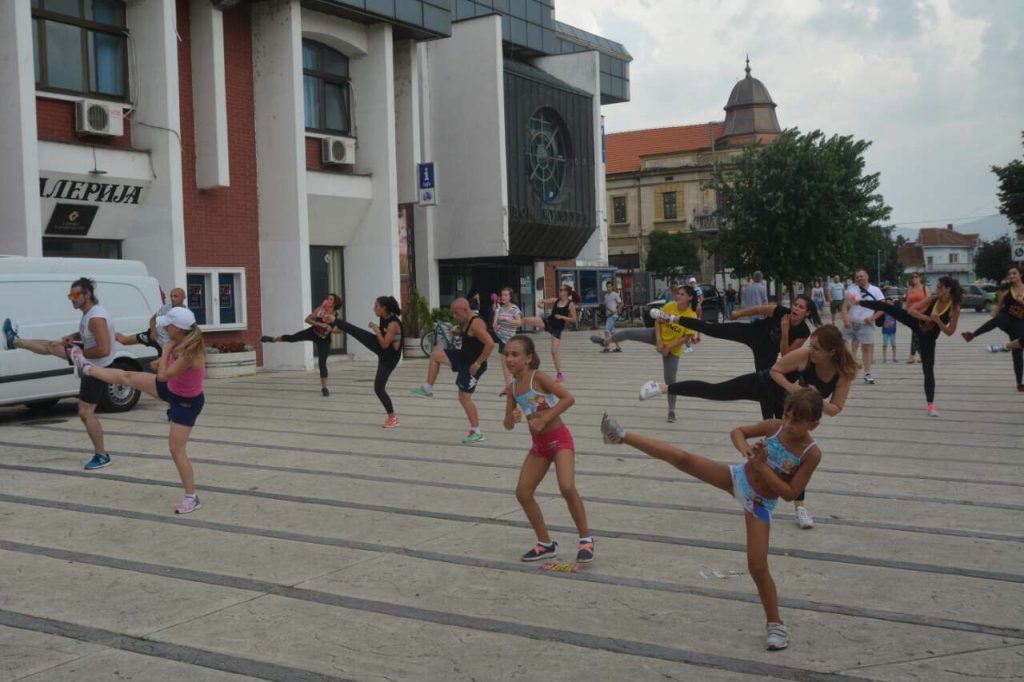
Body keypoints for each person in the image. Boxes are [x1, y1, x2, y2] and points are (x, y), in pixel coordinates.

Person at [601, 388, 825, 651]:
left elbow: (789, 493)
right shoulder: (774, 427)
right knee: (683, 459)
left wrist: (763, 466)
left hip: (760, 503)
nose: (788, 424)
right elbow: (737, 432)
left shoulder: (811, 453)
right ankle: (621, 436)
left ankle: (776, 624)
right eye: (787, 416)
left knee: (757, 566)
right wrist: (747, 451)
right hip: (737, 477)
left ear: (813, 424)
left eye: (796, 421)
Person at [69, 307, 205, 513]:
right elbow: (165, 368)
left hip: (185, 402)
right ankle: (86, 367)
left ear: (177, 328)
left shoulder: (189, 352)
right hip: (172, 389)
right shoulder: (179, 340)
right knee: (128, 377)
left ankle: (191, 497)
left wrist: (166, 352)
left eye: (168, 325)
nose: (165, 328)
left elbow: (163, 376)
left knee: (176, 450)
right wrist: (162, 358)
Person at [4, 277, 116, 470]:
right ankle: (14, 341)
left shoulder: (96, 317)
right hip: (91, 365)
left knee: (85, 412)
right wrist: (73, 337)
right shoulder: (90, 314)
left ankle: (102, 455)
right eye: (69, 295)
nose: (71, 299)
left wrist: (79, 353)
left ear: (87, 294)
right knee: (52, 346)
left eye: (75, 295)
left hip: (96, 368)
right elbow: (89, 333)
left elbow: (104, 349)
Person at [651, 296, 820, 417]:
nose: (795, 309)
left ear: (807, 313)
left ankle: (771, 426)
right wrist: (739, 314)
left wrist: (785, 331)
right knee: (712, 329)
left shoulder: (803, 331)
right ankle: (672, 318)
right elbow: (758, 309)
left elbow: (786, 355)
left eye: (801, 307)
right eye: (795, 305)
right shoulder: (781, 312)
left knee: (765, 386)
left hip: (766, 353)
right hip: (750, 332)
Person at [503, 335, 593, 564]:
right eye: (507, 354)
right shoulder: (512, 388)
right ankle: (545, 544)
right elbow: (508, 425)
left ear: (528, 358)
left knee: (567, 486)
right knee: (523, 493)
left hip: (559, 440)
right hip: (539, 447)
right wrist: (512, 417)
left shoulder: (539, 377)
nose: (509, 359)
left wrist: (545, 418)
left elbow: (568, 398)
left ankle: (586, 540)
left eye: (515, 354)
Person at [767, 325, 857, 528]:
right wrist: (794, 389)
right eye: (811, 345)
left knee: (795, 459)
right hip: (776, 397)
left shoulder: (842, 373)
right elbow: (775, 370)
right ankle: (755, 492)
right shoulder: (805, 355)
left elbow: (835, 408)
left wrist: (815, 399)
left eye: (816, 348)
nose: (811, 350)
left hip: (799, 416)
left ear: (831, 352)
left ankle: (799, 508)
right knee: (771, 450)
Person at [591, 285, 698, 423]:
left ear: (690, 297)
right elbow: (658, 321)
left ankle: (671, 411)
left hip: (673, 349)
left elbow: (686, 337)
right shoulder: (670, 305)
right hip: (656, 335)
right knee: (628, 333)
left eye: (682, 294)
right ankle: (606, 341)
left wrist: (668, 347)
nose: (678, 296)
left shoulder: (691, 315)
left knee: (670, 381)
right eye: (678, 293)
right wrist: (659, 341)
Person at [860, 276, 961, 417]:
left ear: (948, 289)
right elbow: (911, 310)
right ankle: (857, 302)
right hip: (917, 323)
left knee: (928, 370)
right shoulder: (933, 299)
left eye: (940, 287)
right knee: (887, 307)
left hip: (929, 339)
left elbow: (949, 332)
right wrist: (926, 318)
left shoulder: (954, 308)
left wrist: (937, 321)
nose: (937, 289)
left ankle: (931, 405)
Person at [410, 297, 496, 444]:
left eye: (456, 313)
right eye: (453, 313)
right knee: (436, 355)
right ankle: (427, 388)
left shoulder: (476, 324)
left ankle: (477, 432)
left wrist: (477, 363)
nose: (455, 316)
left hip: (473, 365)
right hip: (463, 357)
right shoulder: (466, 320)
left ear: (465, 310)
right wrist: (459, 332)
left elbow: (491, 344)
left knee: (464, 397)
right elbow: (467, 333)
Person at [334, 296, 403, 428]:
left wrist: (377, 330)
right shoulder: (384, 317)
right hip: (384, 352)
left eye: (376, 306)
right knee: (357, 332)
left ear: (384, 308)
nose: (373, 308)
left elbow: (384, 344)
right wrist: (378, 330)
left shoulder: (393, 324)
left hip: (389, 357)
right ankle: (392, 417)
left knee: (378, 388)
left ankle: (393, 418)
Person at [261, 294, 342, 396]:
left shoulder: (336, 315)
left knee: (322, 363)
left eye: (331, 299)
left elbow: (339, 331)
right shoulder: (320, 309)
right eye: (327, 298)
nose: (327, 300)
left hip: (324, 340)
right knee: (292, 338)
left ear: (335, 303)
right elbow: (307, 319)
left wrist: (331, 329)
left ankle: (324, 388)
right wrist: (320, 324)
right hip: (312, 332)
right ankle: (273, 339)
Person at [962, 266, 1024, 392]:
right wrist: (994, 312)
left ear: (1021, 274)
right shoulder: (1006, 290)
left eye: (1014, 273)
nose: (1011, 276)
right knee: (999, 319)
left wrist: (1021, 302)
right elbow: (999, 306)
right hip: (1007, 319)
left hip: (1020, 324)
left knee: (1017, 353)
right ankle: (972, 335)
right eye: (1009, 274)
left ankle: (1019, 383)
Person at [115, 286, 186, 368]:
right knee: (124, 340)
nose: (172, 298)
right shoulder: (166, 307)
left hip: (166, 345)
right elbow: (153, 319)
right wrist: (153, 332)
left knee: (158, 367)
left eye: (175, 296)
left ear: (183, 297)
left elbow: (184, 335)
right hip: (153, 336)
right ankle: (109, 335)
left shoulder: (186, 314)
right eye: (171, 296)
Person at [521, 284, 578, 382]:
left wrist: (562, 317)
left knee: (554, 352)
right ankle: (513, 322)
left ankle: (559, 375)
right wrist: (539, 304)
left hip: (557, 329)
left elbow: (574, 319)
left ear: (566, 292)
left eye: (561, 290)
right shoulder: (555, 300)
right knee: (526, 319)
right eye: (559, 289)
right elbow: (541, 301)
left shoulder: (570, 304)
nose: (560, 291)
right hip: (548, 322)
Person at [841, 268, 884, 384]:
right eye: (857, 277)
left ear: (867, 276)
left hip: (866, 324)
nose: (859, 278)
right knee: (842, 344)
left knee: (866, 348)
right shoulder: (851, 290)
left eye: (861, 276)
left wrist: (872, 318)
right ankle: (848, 369)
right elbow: (845, 306)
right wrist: (845, 319)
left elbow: (883, 308)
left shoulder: (875, 290)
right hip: (850, 323)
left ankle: (867, 373)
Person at [493, 287, 524, 395]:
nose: (503, 297)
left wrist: (507, 319)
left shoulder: (514, 309)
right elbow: (494, 324)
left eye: (506, 295)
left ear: (510, 297)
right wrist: (496, 326)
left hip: (511, 340)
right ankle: (508, 387)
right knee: (505, 365)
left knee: (514, 365)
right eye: (502, 295)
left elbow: (519, 322)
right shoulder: (499, 309)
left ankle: (519, 385)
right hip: (502, 340)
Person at [904, 273, 929, 364]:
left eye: (916, 277)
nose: (914, 278)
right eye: (912, 277)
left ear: (920, 278)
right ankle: (921, 355)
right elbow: (907, 303)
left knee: (917, 334)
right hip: (912, 315)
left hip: (922, 314)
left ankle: (912, 356)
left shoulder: (925, 288)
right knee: (917, 334)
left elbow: (929, 301)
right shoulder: (910, 289)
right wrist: (906, 313)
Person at [599, 280, 623, 353]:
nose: (609, 288)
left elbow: (621, 303)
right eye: (608, 287)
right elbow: (605, 305)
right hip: (608, 316)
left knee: (606, 330)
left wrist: (616, 310)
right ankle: (618, 347)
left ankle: (607, 347)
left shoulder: (615, 294)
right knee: (613, 332)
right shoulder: (606, 296)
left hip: (613, 316)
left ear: (612, 287)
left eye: (610, 287)